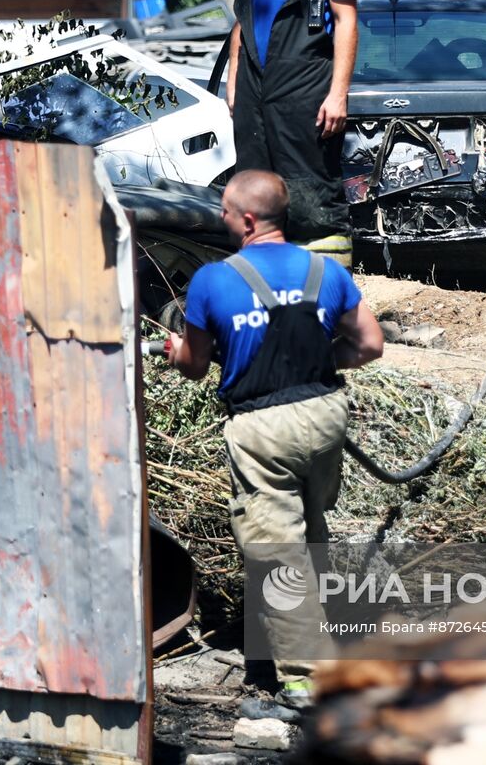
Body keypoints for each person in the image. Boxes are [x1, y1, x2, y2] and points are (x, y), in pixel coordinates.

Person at [168, 169, 383, 705]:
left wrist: (176, 353)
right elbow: (370, 345)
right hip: (326, 414)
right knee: (312, 530)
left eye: (222, 211)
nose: (219, 218)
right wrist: (318, 364)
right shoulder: (323, 270)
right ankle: (329, 631)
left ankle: (305, 679)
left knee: (277, 550)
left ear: (245, 219)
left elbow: (195, 367)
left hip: (262, 426)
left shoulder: (213, 280)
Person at [227, 0, 359, 265]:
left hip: (304, 84)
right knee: (254, 185)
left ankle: (325, 284)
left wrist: (338, 94)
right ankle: (263, 277)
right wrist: (233, 83)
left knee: (309, 186)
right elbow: (242, 17)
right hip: (254, 85)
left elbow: (347, 20)